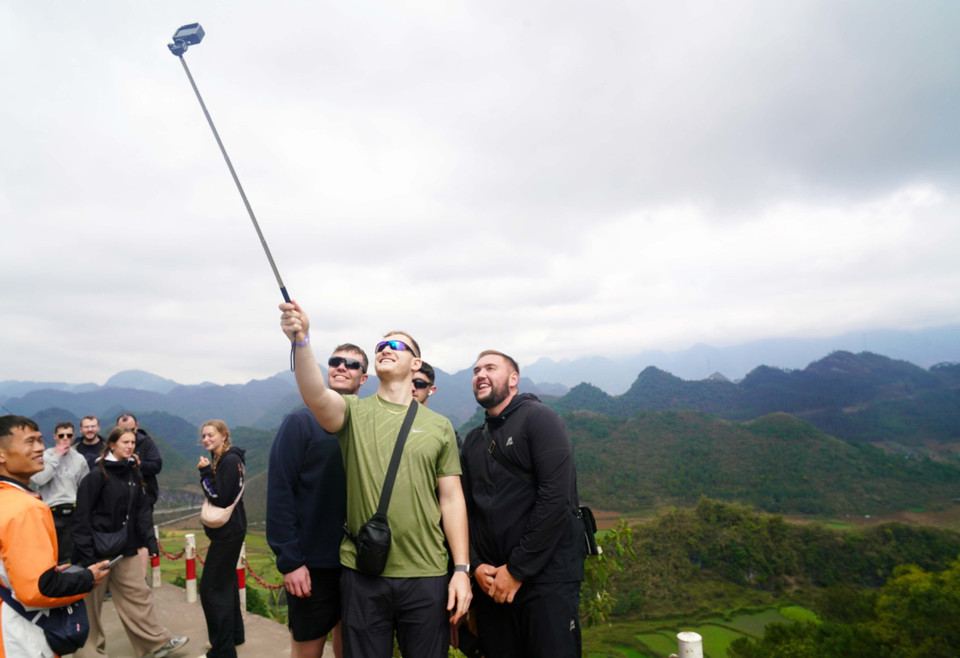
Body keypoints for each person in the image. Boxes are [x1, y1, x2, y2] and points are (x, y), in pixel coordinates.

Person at [279, 302, 471, 658]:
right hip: (363, 572)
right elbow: (315, 394)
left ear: (416, 363)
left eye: (396, 346)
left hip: (426, 572)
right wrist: (302, 341)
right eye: (380, 346)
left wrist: (460, 570)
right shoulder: (353, 412)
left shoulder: (439, 426)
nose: (385, 349)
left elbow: (452, 499)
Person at [460, 351, 585, 658]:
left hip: (546, 580)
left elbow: (556, 497)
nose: (480, 374)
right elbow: (466, 511)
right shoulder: (474, 441)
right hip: (492, 587)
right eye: (476, 370)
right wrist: (476, 566)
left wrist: (516, 570)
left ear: (513, 380)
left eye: (491, 368)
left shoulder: (539, 418)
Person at [267, 343, 369, 658]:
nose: (341, 367)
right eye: (335, 361)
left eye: (351, 364)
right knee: (308, 646)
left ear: (363, 379)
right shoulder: (301, 422)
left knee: (349, 645)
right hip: (312, 563)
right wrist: (291, 561)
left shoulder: (368, 423)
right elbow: (280, 491)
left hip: (360, 562)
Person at [73, 426, 189, 658]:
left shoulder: (132, 473)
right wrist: (87, 558)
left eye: (132, 443)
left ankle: (155, 645)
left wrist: (150, 542)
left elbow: (141, 511)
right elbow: (81, 518)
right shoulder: (97, 476)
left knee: (138, 595)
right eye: (124, 442)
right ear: (112, 444)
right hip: (96, 554)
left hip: (124, 549)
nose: (129, 446)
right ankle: (89, 653)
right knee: (90, 609)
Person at [0, 415, 110, 658]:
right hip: (18, 637)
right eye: (29, 442)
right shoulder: (25, 508)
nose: (40, 448)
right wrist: (87, 578)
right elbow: (39, 589)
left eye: (40, 440)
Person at [198, 420, 246, 658]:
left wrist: (205, 473)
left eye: (211, 435)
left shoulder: (229, 460)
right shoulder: (227, 459)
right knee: (225, 584)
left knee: (210, 589)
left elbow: (219, 497)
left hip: (228, 533)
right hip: (233, 529)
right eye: (204, 436)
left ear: (224, 436)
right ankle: (235, 636)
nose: (206, 439)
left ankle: (222, 650)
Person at [30, 421, 90, 564]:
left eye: (69, 435)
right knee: (51, 553)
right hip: (50, 510)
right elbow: (39, 479)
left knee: (71, 554)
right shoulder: (44, 456)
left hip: (73, 510)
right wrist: (57, 456)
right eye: (61, 435)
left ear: (73, 436)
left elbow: (85, 487)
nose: (65, 438)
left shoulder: (78, 459)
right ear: (55, 436)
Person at [116, 413, 163, 576]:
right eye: (123, 430)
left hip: (143, 496)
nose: (128, 434)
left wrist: (139, 464)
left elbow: (157, 465)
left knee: (142, 538)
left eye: (131, 429)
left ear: (137, 427)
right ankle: (122, 577)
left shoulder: (146, 443)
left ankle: (141, 578)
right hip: (119, 499)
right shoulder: (113, 445)